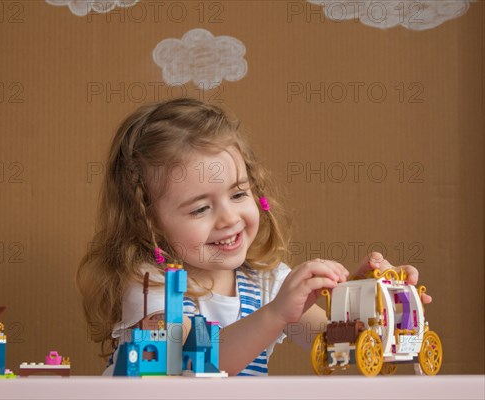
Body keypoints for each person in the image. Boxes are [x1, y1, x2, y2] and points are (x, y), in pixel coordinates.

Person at [77, 98, 432, 376]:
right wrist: (275, 314)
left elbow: (336, 342)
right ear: (148, 222)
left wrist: (367, 297)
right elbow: (198, 361)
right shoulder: (151, 285)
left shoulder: (266, 281)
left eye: (238, 194)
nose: (229, 218)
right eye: (200, 209)